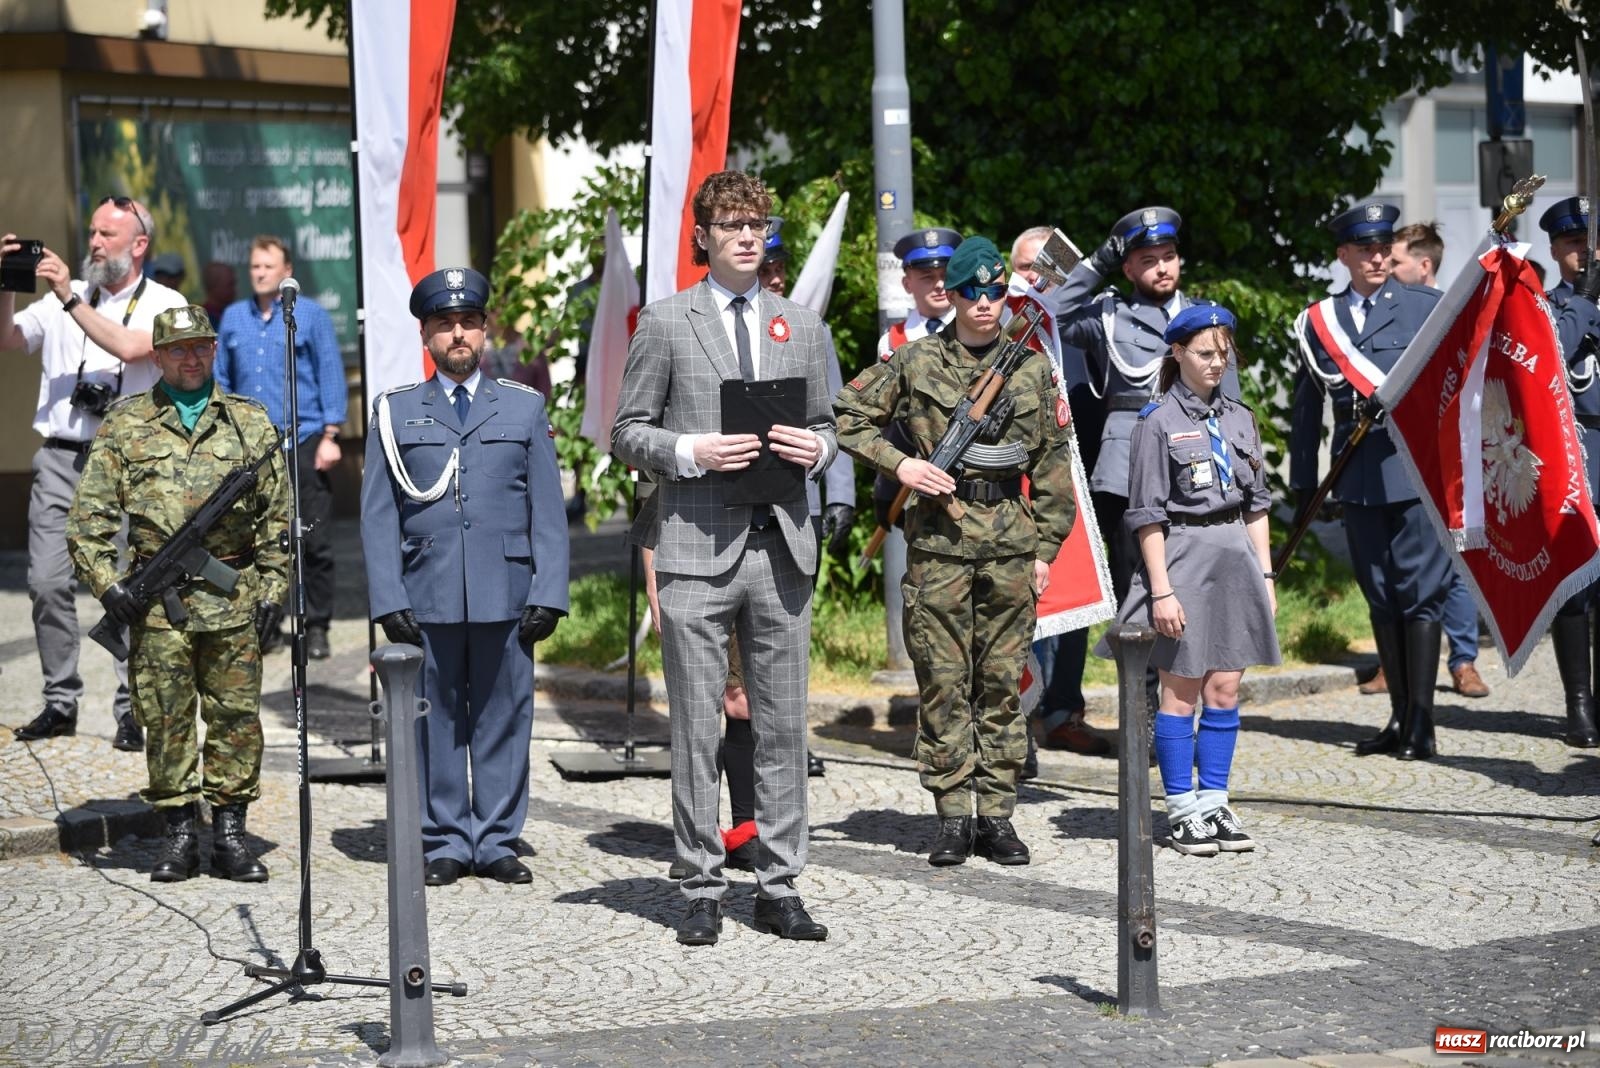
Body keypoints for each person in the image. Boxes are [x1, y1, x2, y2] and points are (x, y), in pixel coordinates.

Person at [612, 170, 837, 946]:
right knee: (697, 729)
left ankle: (779, 884)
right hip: (696, 546)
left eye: (758, 225)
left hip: (780, 547)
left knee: (782, 726)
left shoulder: (802, 326)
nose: (748, 235)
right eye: (732, 224)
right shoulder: (666, 323)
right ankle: (701, 884)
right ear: (703, 236)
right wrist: (691, 449)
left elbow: (832, 426)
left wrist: (821, 448)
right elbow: (627, 431)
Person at [835, 236, 1078, 868]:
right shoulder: (917, 362)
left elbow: (1054, 466)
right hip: (939, 547)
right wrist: (904, 464)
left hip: (1010, 547)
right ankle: (950, 815)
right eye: (973, 292)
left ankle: (996, 816)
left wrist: (1047, 548)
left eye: (997, 292)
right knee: (943, 683)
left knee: (1000, 684)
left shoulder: (1031, 366)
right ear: (952, 294)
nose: (985, 303)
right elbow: (846, 417)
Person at [361, 266, 570, 887]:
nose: (459, 334)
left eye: (469, 323)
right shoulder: (396, 413)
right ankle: (445, 837)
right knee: (435, 717)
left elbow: (547, 511)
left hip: (506, 589)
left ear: (485, 330)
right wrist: (387, 596)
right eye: (445, 324)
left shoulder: (524, 407)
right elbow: (376, 514)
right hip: (427, 591)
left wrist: (549, 591)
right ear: (426, 334)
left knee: (505, 714)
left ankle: (498, 837)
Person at [66, 304, 289, 881]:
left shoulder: (250, 423)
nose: (190, 358)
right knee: (165, 719)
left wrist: (272, 591)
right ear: (158, 356)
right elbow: (87, 520)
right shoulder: (125, 423)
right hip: (154, 605)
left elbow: (278, 521)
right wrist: (109, 585)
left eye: (200, 347)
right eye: (177, 350)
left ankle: (230, 833)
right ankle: (179, 833)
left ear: (214, 350)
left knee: (236, 717)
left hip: (231, 597)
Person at [1, 197, 188, 753]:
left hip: (127, 460)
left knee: (131, 588)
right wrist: (6, 283)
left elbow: (132, 347)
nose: (94, 242)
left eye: (107, 233)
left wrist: (65, 297)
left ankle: (131, 709)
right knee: (46, 582)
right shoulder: (73, 294)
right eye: (91, 232)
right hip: (60, 457)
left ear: (139, 244)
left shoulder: (165, 302)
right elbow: (7, 338)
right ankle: (61, 701)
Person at [1098, 305, 1279, 854]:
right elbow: (1146, 514)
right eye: (1205, 353)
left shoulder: (1240, 417)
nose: (1217, 363)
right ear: (1176, 354)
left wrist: (1265, 572)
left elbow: (1257, 504)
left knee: (1224, 689)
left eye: (1224, 352)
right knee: (1181, 691)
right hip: (1183, 560)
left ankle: (1215, 802)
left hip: (1236, 562)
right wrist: (1160, 589)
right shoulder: (1157, 421)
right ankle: (1180, 809)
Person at [1291, 203, 1447, 760]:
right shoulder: (1318, 321)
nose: (1378, 257)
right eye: (1365, 249)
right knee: (1380, 595)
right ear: (1344, 256)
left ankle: (1423, 722)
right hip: (1354, 478)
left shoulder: (1428, 308)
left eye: (1384, 248)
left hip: (1415, 474)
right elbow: (1306, 409)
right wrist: (1304, 485)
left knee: (1419, 595)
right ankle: (1399, 717)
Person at [1363, 221, 1489, 700]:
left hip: (1442, 460)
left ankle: (1463, 661)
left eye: (1395, 261)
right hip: (1395, 464)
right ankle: (1392, 666)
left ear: (1424, 265)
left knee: (1450, 567)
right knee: (1399, 570)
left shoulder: (1444, 314)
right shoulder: (1393, 313)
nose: (1387, 269)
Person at [215, 236, 347, 660]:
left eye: (267, 266)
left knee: (312, 540)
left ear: (285, 269)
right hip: (251, 449)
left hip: (304, 439)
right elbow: (222, 379)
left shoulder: (309, 317)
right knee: (255, 542)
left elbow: (330, 373)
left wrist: (330, 436)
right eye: (254, 266)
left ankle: (317, 625)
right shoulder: (234, 318)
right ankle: (265, 623)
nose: (259, 273)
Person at [1010, 226, 1108, 769]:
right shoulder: (1007, 315)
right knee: (1023, 596)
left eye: (1050, 269)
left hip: (1080, 470)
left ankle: (1064, 710)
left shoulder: (1080, 319)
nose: (1038, 279)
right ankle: (1019, 715)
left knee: (1075, 595)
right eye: (1029, 268)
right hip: (1018, 479)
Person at [1537, 196, 1600, 748]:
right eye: (1573, 243)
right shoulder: (1549, 307)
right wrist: (1585, 299)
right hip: (1576, 460)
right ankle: (1578, 702)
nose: (1584, 251)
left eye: (1590, 241)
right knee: (1575, 590)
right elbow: (1553, 355)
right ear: (1556, 250)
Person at [868, 227, 964, 530]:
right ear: (907, 282)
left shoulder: (976, 331)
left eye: (945, 275)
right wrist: (886, 485)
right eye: (927, 277)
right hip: (919, 484)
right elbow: (887, 422)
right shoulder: (893, 341)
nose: (938, 285)